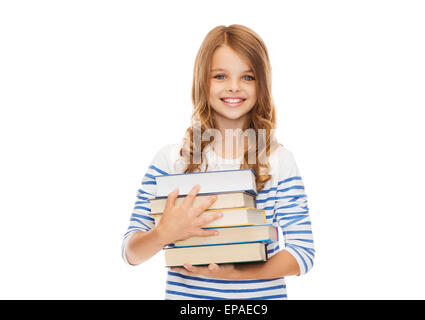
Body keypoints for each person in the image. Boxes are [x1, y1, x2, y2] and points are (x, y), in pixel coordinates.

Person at [121, 24, 315, 300]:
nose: (234, 87)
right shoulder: (171, 161)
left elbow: (303, 253)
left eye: (248, 77)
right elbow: (131, 253)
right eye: (221, 76)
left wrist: (235, 274)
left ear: (262, 83)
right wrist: (164, 232)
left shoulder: (278, 161)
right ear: (203, 81)